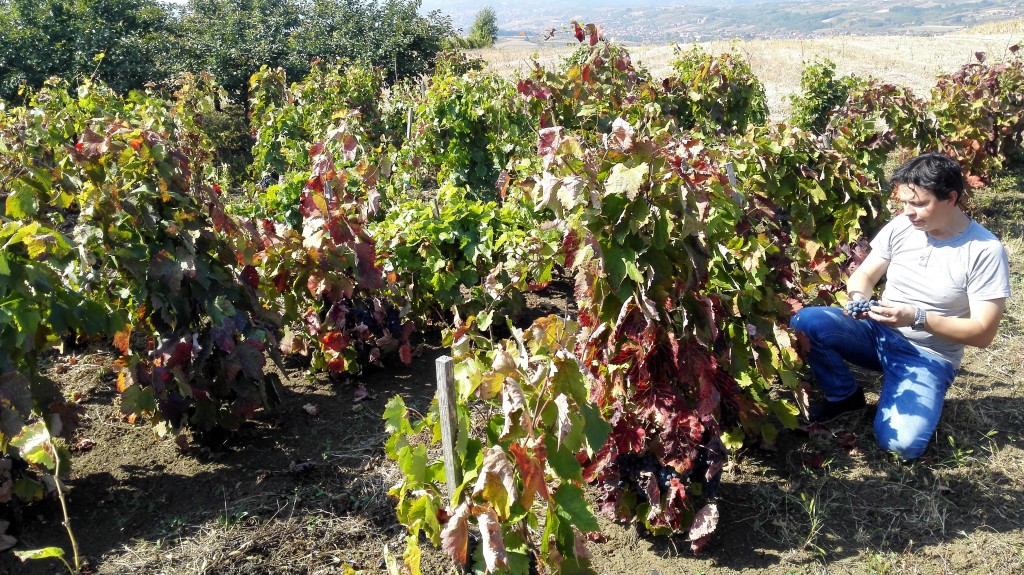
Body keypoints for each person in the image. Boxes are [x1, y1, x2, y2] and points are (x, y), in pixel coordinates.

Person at [789, 153, 1011, 460]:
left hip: (928, 355)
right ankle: (844, 396)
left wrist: (916, 317)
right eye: (904, 202)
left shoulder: (984, 251)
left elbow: (983, 333)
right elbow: (865, 275)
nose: (908, 212)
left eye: (918, 204)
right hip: (876, 331)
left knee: (901, 445)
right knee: (807, 322)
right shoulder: (903, 226)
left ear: (951, 198)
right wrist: (858, 299)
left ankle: (903, 388)